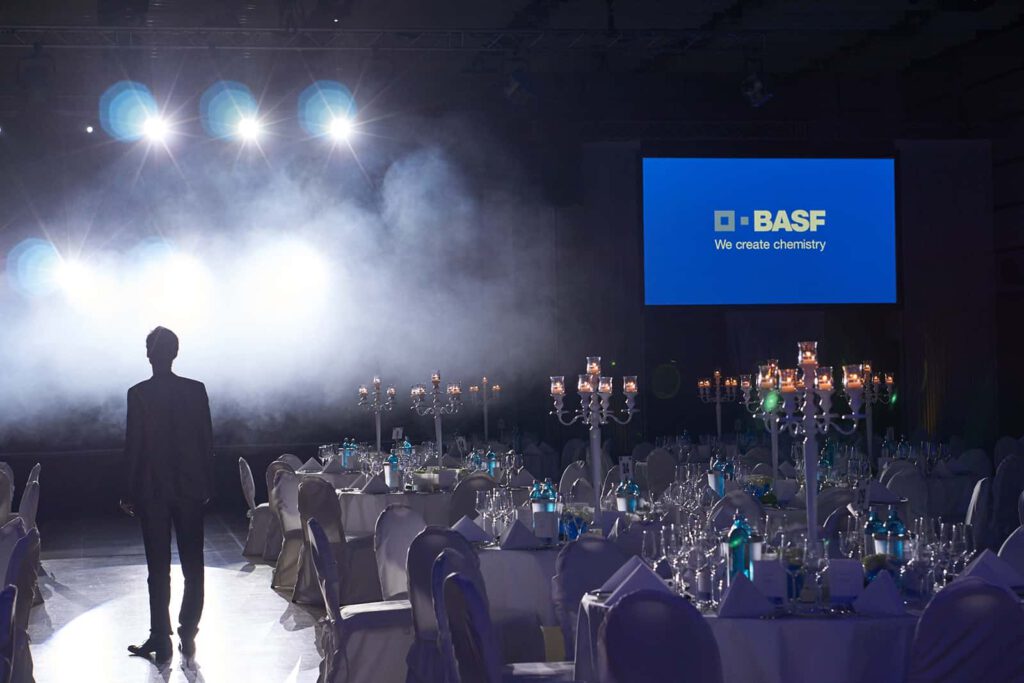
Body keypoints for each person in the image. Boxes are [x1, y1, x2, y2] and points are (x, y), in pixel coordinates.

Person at [121, 327, 214, 663]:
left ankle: (160, 637)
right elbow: (207, 441)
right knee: (193, 565)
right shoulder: (195, 390)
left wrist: (128, 490)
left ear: (149, 354)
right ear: (175, 353)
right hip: (189, 489)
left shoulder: (139, 394)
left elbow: (134, 446)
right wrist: (205, 482)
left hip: (153, 491)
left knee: (158, 568)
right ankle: (187, 632)